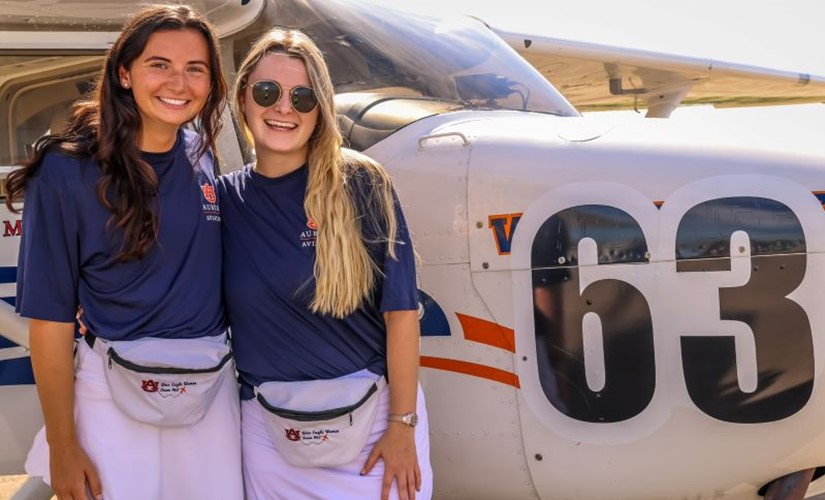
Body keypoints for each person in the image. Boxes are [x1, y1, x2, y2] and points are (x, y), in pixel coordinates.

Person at [6, 5, 242, 500]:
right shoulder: (65, 170)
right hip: (111, 396)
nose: (178, 82)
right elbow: (50, 322)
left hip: (207, 394)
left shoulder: (201, 151)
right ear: (124, 72)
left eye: (195, 68)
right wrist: (63, 445)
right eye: (160, 64)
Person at [217, 27, 433, 500]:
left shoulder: (361, 183)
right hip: (270, 435)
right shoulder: (223, 201)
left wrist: (402, 426)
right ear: (243, 99)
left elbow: (401, 315)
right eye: (268, 91)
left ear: (321, 109)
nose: (283, 108)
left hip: (373, 432)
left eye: (303, 97)